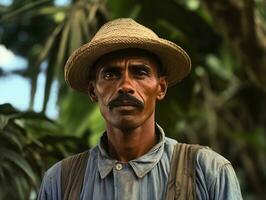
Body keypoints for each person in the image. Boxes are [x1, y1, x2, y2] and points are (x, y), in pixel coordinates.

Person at [38, 18, 242, 200]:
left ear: (161, 88)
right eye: (110, 74)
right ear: (93, 91)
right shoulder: (60, 181)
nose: (125, 85)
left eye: (140, 72)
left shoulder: (208, 171)